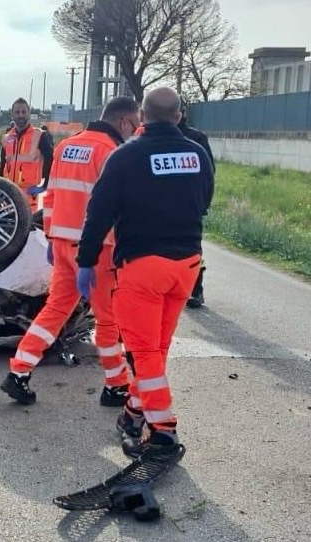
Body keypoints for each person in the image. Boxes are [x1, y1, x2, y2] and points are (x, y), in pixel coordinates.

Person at [75, 87, 214, 458]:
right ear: (179, 115)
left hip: (143, 269)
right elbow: (205, 201)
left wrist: (86, 262)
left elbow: (98, 214)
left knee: (145, 353)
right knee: (157, 349)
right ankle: (134, 415)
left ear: (143, 116)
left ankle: (163, 430)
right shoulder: (197, 154)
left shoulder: (125, 156)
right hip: (185, 267)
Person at [0, 97, 141, 406]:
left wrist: (51, 238)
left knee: (56, 309)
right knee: (108, 319)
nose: (137, 130)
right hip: (98, 249)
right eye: (136, 124)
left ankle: (19, 371)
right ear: (124, 122)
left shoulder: (66, 146)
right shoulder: (113, 153)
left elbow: (51, 196)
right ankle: (117, 385)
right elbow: (119, 208)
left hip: (62, 244)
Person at [177, 100, 214, 309]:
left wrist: (202, 205)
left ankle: (196, 290)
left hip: (189, 205)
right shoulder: (148, 137)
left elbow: (208, 176)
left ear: (182, 114)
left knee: (192, 249)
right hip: (158, 205)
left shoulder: (196, 138)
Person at [0, 98, 53, 209]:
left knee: (27, 225)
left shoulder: (40, 136)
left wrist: (45, 185)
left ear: (29, 114)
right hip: (8, 194)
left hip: (28, 197)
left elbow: (52, 160)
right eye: (17, 112)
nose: (21, 115)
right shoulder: (7, 138)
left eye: (24, 112)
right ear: (12, 115)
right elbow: (2, 165)